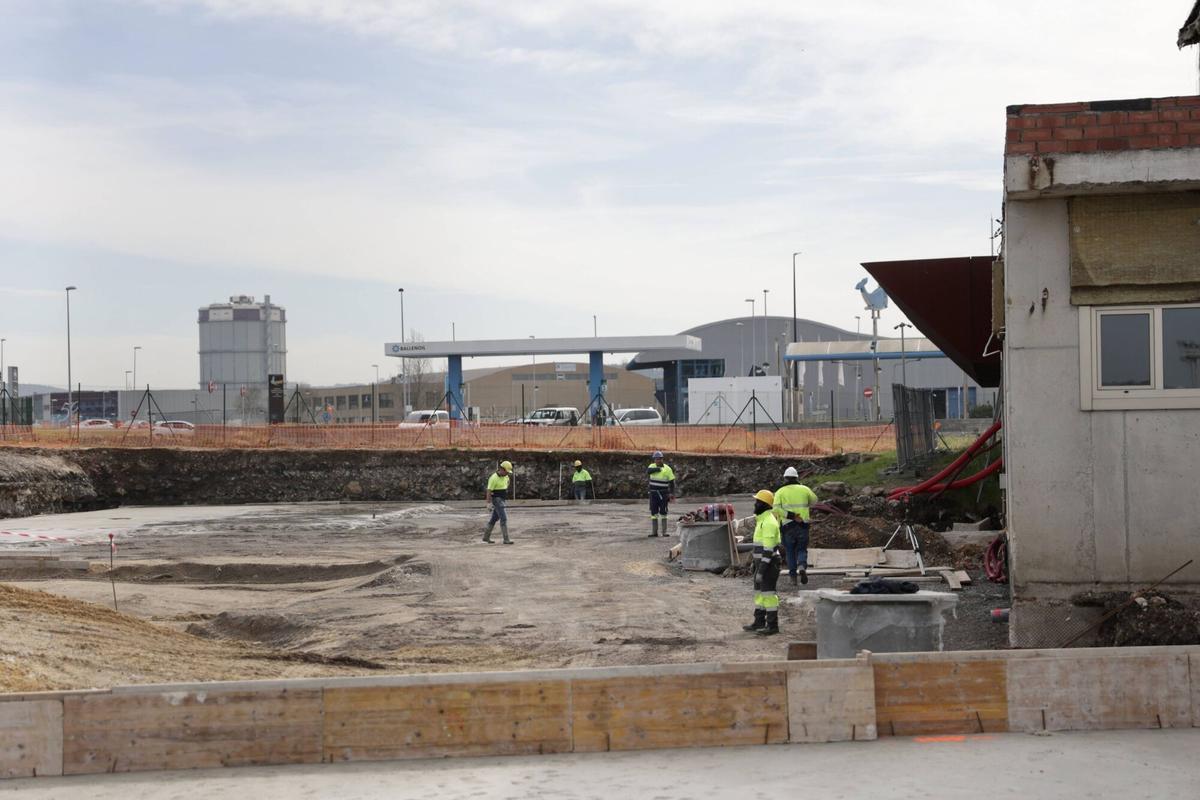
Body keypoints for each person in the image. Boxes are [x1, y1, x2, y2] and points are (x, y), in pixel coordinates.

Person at [743, 489, 782, 636]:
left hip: (769, 564)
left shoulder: (769, 523)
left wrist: (761, 569)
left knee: (769, 594)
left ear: (765, 505)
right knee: (759, 594)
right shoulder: (762, 520)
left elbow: (768, 550)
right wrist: (755, 563)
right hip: (762, 563)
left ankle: (772, 625)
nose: (755, 504)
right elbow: (759, 548)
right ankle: (759, 622)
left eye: (757, 502)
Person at [774, 467, 820, 586]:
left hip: (787, 526)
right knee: (801, 549)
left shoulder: (780, 491)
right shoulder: (805, 489)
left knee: (789, 551)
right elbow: (815, 501)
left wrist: (791, 515)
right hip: (802, 525)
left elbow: (776, 508)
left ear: (785, 478)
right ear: (797, 478)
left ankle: (793, 577)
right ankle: (802, 565)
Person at [483, 460, 514, 545]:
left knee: (494, 518)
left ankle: (486, 537)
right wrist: (488, 503)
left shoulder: (506, 477)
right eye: (506, 472)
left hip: (502, 499)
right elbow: (489, 491)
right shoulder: (493, 478)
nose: (507, 474)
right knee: (503, 518)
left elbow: (507, 483)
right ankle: (506, 539)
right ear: (502, 469)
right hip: (497, 500)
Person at [646, 450, 676, 537]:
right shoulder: (651, 466)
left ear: (662, 459)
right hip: (653, 494)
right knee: (653, 512)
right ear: (654, 460)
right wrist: (658, 469)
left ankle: (664, 532)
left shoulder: (667, 469)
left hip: (663, 494)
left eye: (659, 459)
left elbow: (672, 482)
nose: (658, 460)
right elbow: (648, 471)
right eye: (656, 459)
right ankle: (654, 532)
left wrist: (672, 493)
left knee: (663, 512)